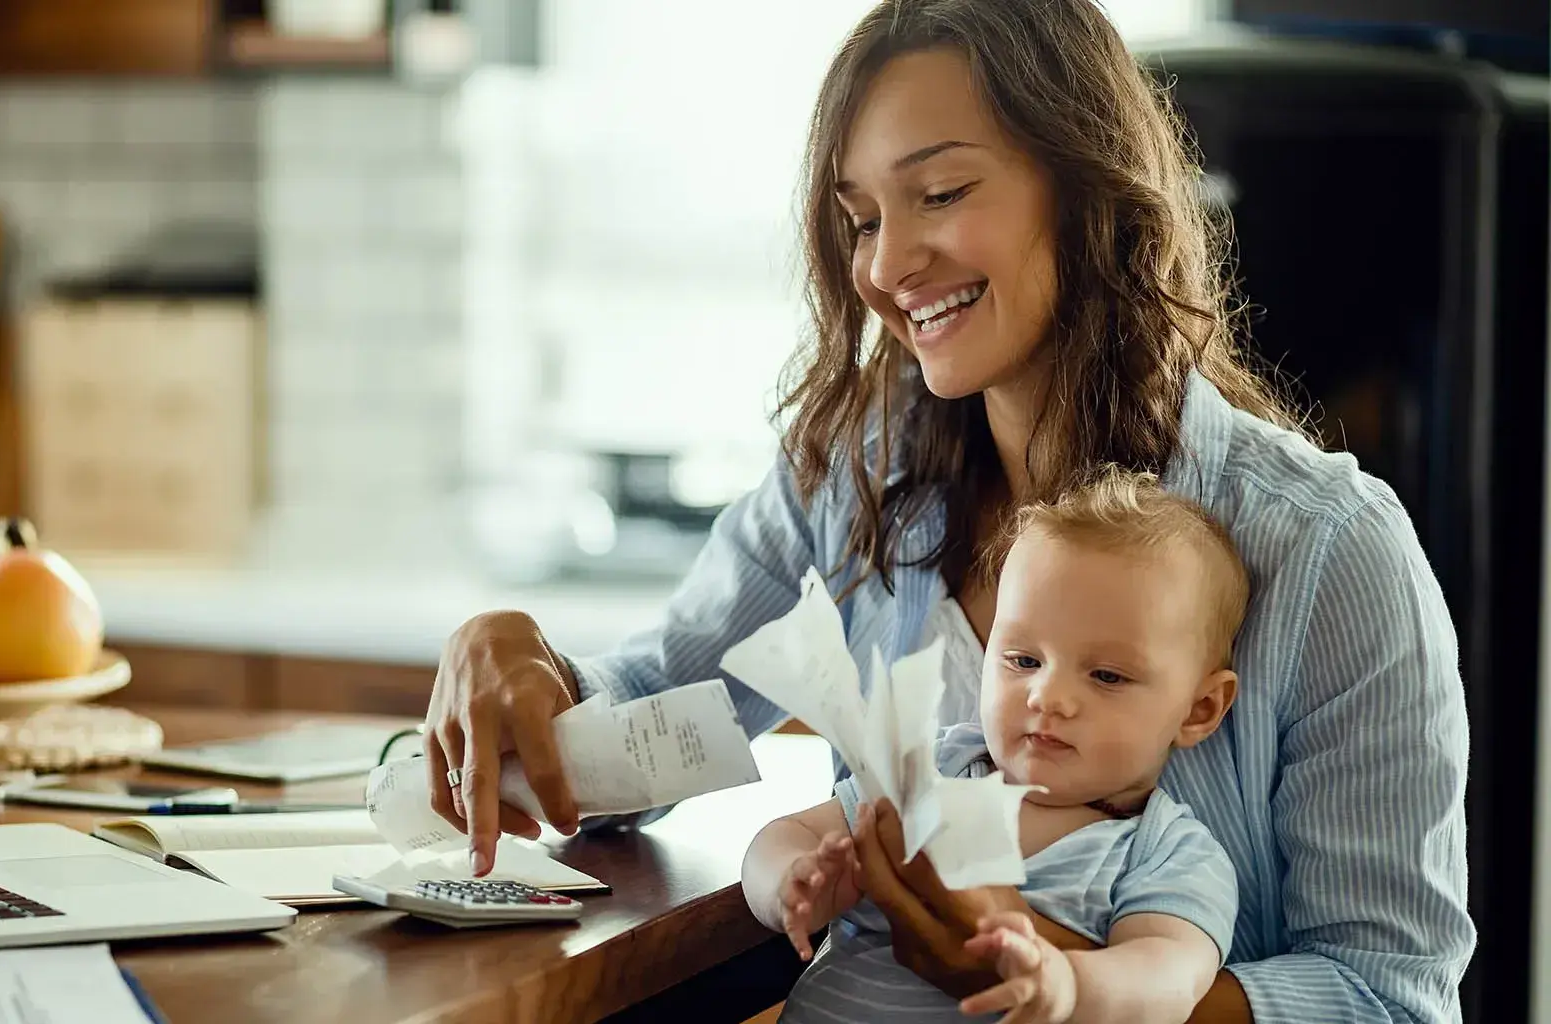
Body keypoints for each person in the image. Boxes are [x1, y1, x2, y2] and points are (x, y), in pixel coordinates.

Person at [421, 1, 1474, 1020]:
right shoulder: (852, 479)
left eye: (939, 194)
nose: (883, 267)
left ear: (1084, 184)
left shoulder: (1331, 551)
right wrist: (528, 681)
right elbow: (659, 713)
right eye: (863, 218)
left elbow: (1388, 994)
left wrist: (1044, 975)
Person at [747, 468, 1243, 1022]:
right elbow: (784, 835)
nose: (1047, 696)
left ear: (1199, 709)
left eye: (1106, 676)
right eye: (1024, 660)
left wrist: (1069, 983)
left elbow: (1168, 980)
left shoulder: (1164, 853)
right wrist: (790, 882)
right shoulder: (937, 767)